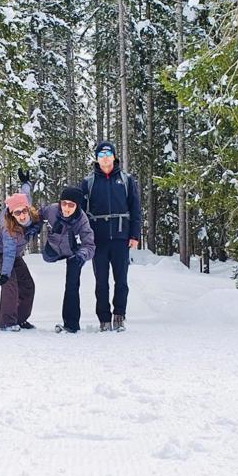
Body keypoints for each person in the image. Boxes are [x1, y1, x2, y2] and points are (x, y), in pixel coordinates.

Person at [21, 171, 96, 334]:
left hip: (72, 253)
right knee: (48, 252)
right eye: (64, 203)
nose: (66, 208)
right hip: (53, 250)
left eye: (71, 205)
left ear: (77, 206)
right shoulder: (52, 210)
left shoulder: (82, 220)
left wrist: (82, 255)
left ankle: (71, 324)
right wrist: (33, 227)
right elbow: (35, 215)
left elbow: (90, 245)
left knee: (72, 284)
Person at [78, 141, 141, 332]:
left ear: (114, 156)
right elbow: (80, 212)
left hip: (121, 237)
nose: (105, 158)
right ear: (97, 159)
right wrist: (83, 237)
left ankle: (119, 316)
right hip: (98, 239)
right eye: (101, 155)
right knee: (101, 281)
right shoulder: (88, 182)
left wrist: (134, 235)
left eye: (108, 154)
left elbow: (135, 208)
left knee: (121, 280)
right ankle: (104, 318)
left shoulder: (126, 179)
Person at [0, 186, 43, 331]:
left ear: (28, 208)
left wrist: (25, 183)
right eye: (17, 213)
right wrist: (5, 274)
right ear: (12, 214)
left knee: (28, 285)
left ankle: (20, 319)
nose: (22, 216)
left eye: (24, 211)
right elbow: (9, 253)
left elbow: (26, 195)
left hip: (15, 255)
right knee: (10, 283)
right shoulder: (9, 230)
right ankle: (7, 322)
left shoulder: (30, 213)